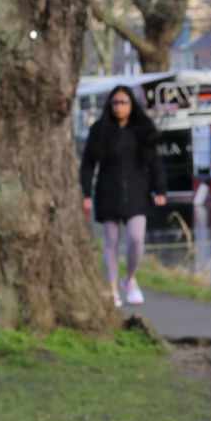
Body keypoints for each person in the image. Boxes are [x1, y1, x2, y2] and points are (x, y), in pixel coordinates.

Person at [80, 85, 166, 309]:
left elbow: (155, 162)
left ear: (131, 105)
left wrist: (160, 189)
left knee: (137, 239)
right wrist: (86, 193)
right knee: (111, 242)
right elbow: (88, 163)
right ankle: (112, 289)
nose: (119, 107)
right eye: (115, 103)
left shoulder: (141, 130)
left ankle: (129, 277)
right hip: (108, 193)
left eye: (123, 102)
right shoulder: (100, 130)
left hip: (138, 194)